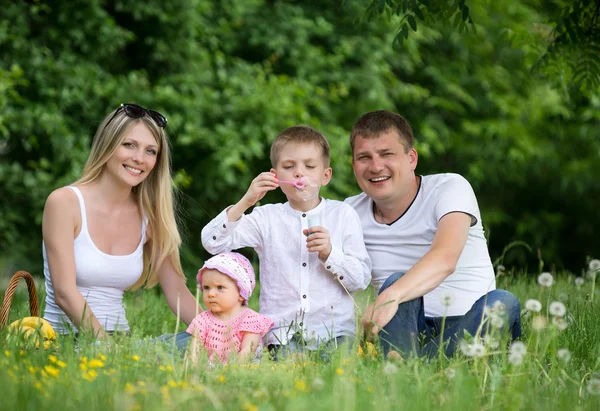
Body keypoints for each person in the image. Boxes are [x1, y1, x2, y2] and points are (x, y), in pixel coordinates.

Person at [345, 110, 521, 358]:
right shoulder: (348, 212)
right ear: (353, 165)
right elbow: (296, 250)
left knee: (503, 301)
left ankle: (410, 368)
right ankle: (423, 364)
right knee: (396, 279)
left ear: (411, 158)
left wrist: (389, 298)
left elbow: (445, 258)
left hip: (470, 323)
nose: (375, 166)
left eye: (387, 154)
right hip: (405, 330)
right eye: (364, 157)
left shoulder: (450, 187)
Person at [202, 125, 371, 357]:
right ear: (276, 176)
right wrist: (246, 201)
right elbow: (213, 243)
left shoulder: (343, 215)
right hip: (281, 334)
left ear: (325, 175)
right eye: (289, 167)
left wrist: (331, 255)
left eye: (309, 166)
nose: (299, 173)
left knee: (339, 368)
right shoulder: (265, 217)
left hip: (336, 332)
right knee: (287, 368)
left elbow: (360, 280)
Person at [42, 103, 198, 340]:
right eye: (129, 145)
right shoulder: (64, 203)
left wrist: (223, 334)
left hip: (122, 344)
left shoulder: (151, 217)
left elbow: (177, 292)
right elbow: (64, 293)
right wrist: (106, 347)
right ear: (108, 145)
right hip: (65, 340)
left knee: (192, 342)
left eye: (150, 151)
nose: (139, 159)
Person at [185, 252, 273, 365]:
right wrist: (192, 370)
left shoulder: (250, 319)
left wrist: (230, 371)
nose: (211, 293)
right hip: (213, 368)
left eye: (220, 287)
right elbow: (194, 352)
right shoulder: (202, 320)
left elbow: (248, 351)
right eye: (206, 287)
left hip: (245, 368)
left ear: (241, 293)